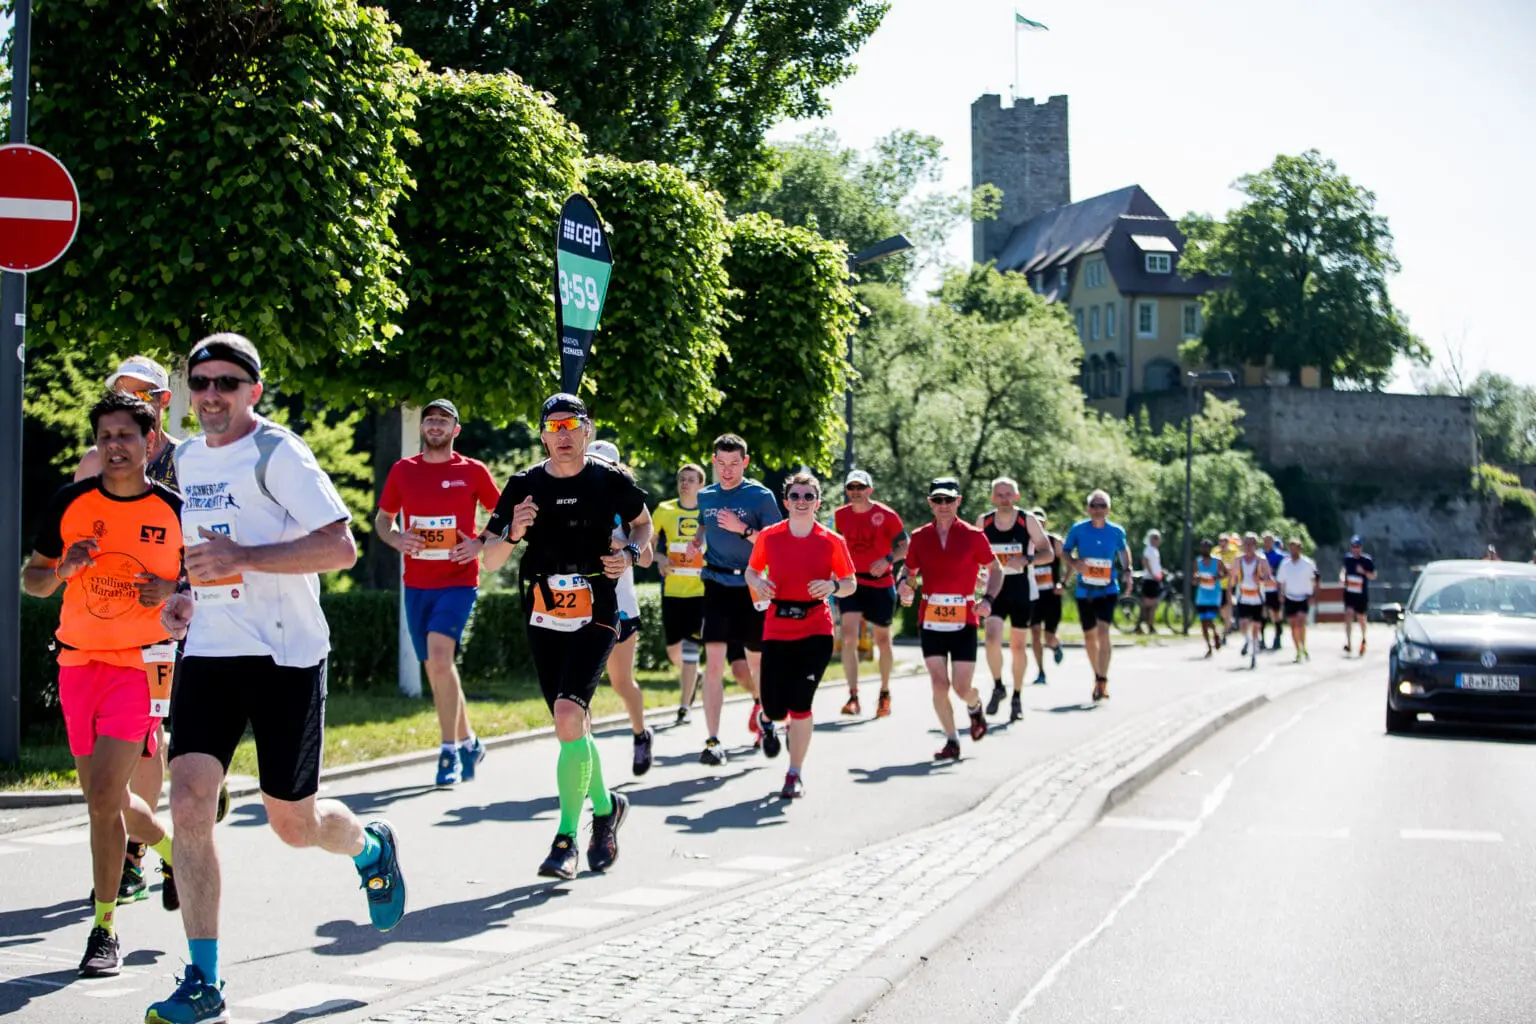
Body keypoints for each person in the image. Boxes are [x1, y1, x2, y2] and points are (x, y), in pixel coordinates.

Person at [147, 334, 405, 1024]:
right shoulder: (187, 458)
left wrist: (246, 556)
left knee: (294, 825)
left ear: (253, 389)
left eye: (227, 383)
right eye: (201, 382)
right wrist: (185, 594)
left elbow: (341, 546)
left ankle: (371, 846)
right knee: (191, 804)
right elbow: (203, 551)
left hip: (286, 657)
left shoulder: (278, 453)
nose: (211, 395)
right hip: (209, 650)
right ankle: (204, 978)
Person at [22, 391, 181, 977]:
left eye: (126, 435)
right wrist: (62, 570)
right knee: (106, 799)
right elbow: (32, 579)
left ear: (150, 442)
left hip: (141, 665)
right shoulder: (70, 503)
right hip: (76, 664)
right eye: (106, 436)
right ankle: (172, 851)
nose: (115, 445)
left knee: (101, 800)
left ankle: (104, 928)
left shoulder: (174, 508)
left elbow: (209, 584)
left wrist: (174, 591)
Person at [466, 393, 651, 881]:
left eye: (573, 425)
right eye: (554, 426)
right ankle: (607, 809)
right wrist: (511, 533)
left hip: (598, 606)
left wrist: (630, 553)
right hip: (544, 610)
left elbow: (642, 523)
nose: (564, 434)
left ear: (587, 430)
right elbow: (490, 559)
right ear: (543, 434)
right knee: (572, 724)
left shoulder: (610, 479)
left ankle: (566, 839)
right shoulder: (523, 485)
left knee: (569, 716)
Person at [74, 356, 204, 905]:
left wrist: (174, 585)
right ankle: (151, 843)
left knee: (149, 747)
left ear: (162, 403)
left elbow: (203, 548)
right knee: (147, 745)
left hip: (170, 630)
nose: (128, 407)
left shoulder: (190, 462)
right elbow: (69, 534)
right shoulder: (91, 463)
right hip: (101, 633)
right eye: (120, 396)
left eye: (140, 397)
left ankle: (133, 857)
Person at [374, 399, 501, 787]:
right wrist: (397, 540)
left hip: (459, 581)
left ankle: (448, 753)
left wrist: (479, 543)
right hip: (417, 584)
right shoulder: (403, 471)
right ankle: (469, 741)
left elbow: (503, 517)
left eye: (443, 421)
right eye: (430, 420)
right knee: (437, 668)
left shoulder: (472, 471)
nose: (435, 426)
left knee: (441, 659)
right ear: (422, 428)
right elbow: (383, 519)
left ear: (455, 430)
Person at [744, 473, 857, 798]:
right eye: (796, 496)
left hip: (815, 628)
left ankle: (794, 773)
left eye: (809, 496)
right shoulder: (770, 536)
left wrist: (833, 586)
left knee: (801, 704)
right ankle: (767, 719)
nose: (802, 501)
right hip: (778, 626)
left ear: (818, 502)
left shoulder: (831, 540)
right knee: (777, 708)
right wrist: (758, 582)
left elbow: (851, 583)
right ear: (786, 502)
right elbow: (752, 570)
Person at [687, 434, 781, 766]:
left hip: (751, 585)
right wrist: (697, 542)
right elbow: (704, 525)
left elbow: (777, 544)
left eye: (734, 464)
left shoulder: (760, 496)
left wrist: (743, 529)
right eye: (722, 464)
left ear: (746, 462)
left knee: (756, 664)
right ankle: (713, 741)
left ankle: (767, 718)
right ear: (714, 462)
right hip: (715, 584)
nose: (727, 471)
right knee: (713, 665)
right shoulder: (706, 495)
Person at [896, 477, 1003, 761]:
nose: (943, 505)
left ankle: (975, 706)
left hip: (964, 620)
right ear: (931, 503)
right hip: (930, 619)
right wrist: (906, 587)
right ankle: (952, 740)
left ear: (958, 501)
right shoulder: (919, 536)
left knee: (961, 687)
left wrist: (988, 600)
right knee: (939, 684)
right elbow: (909, 572)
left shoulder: (973, 535)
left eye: (949, 500)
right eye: (938, 500)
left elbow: (997, 569)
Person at [590, 440, 656, 776]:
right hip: (581, 606)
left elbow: (645, 558)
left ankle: (640, 733)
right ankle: (581, 758)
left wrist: (619, 542)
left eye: (605, 465)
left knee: (621, 683)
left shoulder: (628, 506)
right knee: (578, 688)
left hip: (621, 607)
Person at [833, 469, 907, 718]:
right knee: (849, 638)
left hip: (880, 583)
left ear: (869, 490)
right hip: (852, 583)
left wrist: (887, 559)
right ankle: (853, 696)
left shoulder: (886, 515)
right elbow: (837, 545)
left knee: (883, 639)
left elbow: (905, 546)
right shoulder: (840, 516)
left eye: (860, 487)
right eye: (851, 487)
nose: (855, 492)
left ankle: (885, 693)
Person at [977, 478, 1051, 723]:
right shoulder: (983, 522)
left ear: (1016, 497)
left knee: (1018, 646)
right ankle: (999, 685)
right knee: (991, 640)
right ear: (993, 498)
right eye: (1000, 494)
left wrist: (1027, 560)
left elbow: (1047, 552)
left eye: (1009, 494)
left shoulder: (1026, 520)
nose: (1004, 499)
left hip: (1021, 588)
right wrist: (976, 575)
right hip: (994, 589)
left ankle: (1017, 695)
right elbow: (974, 556)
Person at [1061, 490, 1132, 702]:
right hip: (1085, 591)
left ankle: (1103, 679)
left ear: (1108, 509)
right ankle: (1097, 675)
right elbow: (1064, 552)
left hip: (1108, 589)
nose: (1098, 509)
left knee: (1103, 632)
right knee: (1089, 637)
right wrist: (1074, 563)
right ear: (1088, 509)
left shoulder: (1116, 531)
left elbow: (1123, 550)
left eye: (1103, 506)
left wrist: (1128, 571)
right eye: (1094, 505)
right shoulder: (1078, 529)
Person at [652, 464, 707, 725]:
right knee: (674, 651)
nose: (685, 483)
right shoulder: (665, 510)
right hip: (672, 590)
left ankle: (684, 707)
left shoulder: (708, 510)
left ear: (701, 485)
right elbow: (646, 545)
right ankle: (694, 674)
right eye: (681, 479)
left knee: (689, 651)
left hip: (701, 592)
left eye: (691, 479)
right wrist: (661, 558)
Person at [1026, 507, 1066, 685]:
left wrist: (1063, 582)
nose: (1038, 526)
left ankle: (1055, 645)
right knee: (1035, 633)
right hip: (1033, 597)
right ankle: (1041, 671)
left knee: (1048, 637)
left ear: (1045, 523)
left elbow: (1071, 561)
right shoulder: (1023, 543)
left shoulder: (1054, 541)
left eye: (1041, 522)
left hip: (1051, 596)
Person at [1230, 532, 1275, 670]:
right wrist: (1229, 594)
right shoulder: (1238, 560)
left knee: (1256, 627)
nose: (1248, 547)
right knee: (1243, 624)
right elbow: (1232, 578)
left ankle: (1253, 654)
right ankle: (1248, 642)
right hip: (1243, 596)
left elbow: (1270, 580)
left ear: (1255, 545)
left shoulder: (1261, 560)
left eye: (1251, 544)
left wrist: (1260, 579)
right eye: (1246, 544)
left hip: (1257, 597)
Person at [1274, 538, 1319, 662]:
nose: (1293, 551)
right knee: (1293, 626)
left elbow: (1314, 580)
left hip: (1303, 597)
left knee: (1301, 623)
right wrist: (1280, 594)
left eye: (1296, 548)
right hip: (1290, 597)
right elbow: (1281, 581)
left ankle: (1303, 646)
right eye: (1291, 548)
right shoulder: (1285, 564)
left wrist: (1313, 595)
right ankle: (1297, 650)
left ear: (1300, 549)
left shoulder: (1308, 563)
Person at [1341, 535, 1377, 656]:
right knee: (1349, 615)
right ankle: (1349, 643)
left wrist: (1364, 572)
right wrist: (1342, 578)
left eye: (1357, 547)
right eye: (1353, 547)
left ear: (1361, 547)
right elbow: (1344, 570)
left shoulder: (1366, 560)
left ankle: (1363, 639)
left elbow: (1373, 575)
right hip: (1350, 592)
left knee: (1361, 617)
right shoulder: (1348, 559)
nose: (1355, 549)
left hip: (1361, 593)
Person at [1192, 538, 1227, 658]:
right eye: (1203, 547)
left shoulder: (1217, 561)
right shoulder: (1197, 562)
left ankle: (1216, 635)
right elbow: (1194, 578)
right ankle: (1209, 646)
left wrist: (1217, 577)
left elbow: (1226, 573)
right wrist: (1197, 578)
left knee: (1209, 619)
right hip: (1201, 595)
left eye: (1207, 547)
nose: (1204, 549)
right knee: (1203, 623)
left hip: (1214, 595)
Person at [1260, 531, 1286, 651]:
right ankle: (1262, 639)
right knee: (1263, 613)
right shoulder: (1259, 555)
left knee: (1276, 613)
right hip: (1262, 588)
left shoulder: (1279, 556)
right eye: (1265, 540)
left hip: (1274, 588)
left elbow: (1282, 572)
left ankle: (1277, 637)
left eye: (1269, 540)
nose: (1267, 543)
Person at [1138, 529, 1165, 635]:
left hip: (1154, 579)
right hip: (1150, 579)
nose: (1159, 540)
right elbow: (1145, 561)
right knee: (1150, 604)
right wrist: (1153, 574)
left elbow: (1154, 565)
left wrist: (1160, 571)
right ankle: (1148, 626)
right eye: (1157, 538)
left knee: (1150, 604)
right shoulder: (1149, 549)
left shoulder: (1154, 550)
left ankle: (1148, 625)